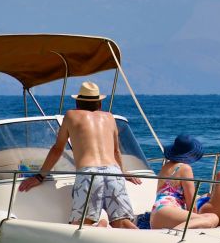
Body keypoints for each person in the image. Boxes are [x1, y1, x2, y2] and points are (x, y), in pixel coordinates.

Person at [19, 80, 141, 228]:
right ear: (99, 104)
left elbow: (58, 149)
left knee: (82, 225)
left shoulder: (71, 116)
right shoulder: (109, 117)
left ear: (77, 103)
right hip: (114, 172)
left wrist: (39, 176)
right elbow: (116, 151)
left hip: (89, 173)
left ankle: (96, 230)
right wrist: (123, 172)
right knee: (122, 223)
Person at [150, 134, 219, 230]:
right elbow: (191, 205)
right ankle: (178, 231)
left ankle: (178, 229)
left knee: (208, 216)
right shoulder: (185, 168)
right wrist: (198, 221)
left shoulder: (165, 166)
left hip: (157, 212)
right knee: (213, 218)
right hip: (168, 210)